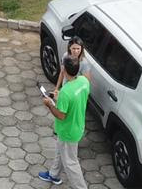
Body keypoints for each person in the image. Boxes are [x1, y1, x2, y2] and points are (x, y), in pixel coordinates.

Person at [38, 56, 90, 189]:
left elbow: (61, 115)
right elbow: (75, 96)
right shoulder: (84, 81)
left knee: (71, 163)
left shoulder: (66, 92)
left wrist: (49, 104)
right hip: (78, 126)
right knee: (60, 151)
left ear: (64, 70)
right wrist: (59, 95)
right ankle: (54, 174)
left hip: (68, 132)